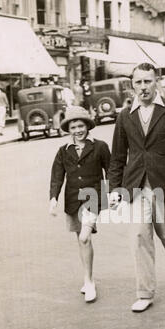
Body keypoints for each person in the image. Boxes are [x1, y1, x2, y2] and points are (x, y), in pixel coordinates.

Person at [107, 62, 165, 313]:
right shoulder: (125, 116)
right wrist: (115, 188)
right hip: (135, 185)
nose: (143, 87)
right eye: (138, 82)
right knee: (138, 236)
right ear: (131, 85)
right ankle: (145, 293)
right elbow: (117, 156)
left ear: (157, 82)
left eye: (147, 81)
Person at [49, 106, 111, 302]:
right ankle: (88, 278)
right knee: (82, 240)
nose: (78, 130)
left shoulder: (100, 146)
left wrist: (116, 193)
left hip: (93, 197)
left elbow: (111, 171)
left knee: (84, 237)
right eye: (73, 127)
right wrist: (53, 198)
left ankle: (90, 282)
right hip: (73, 200)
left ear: (88, 126)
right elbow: (57, 176)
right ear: (68, 129)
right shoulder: (63, 151)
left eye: (81, 125)